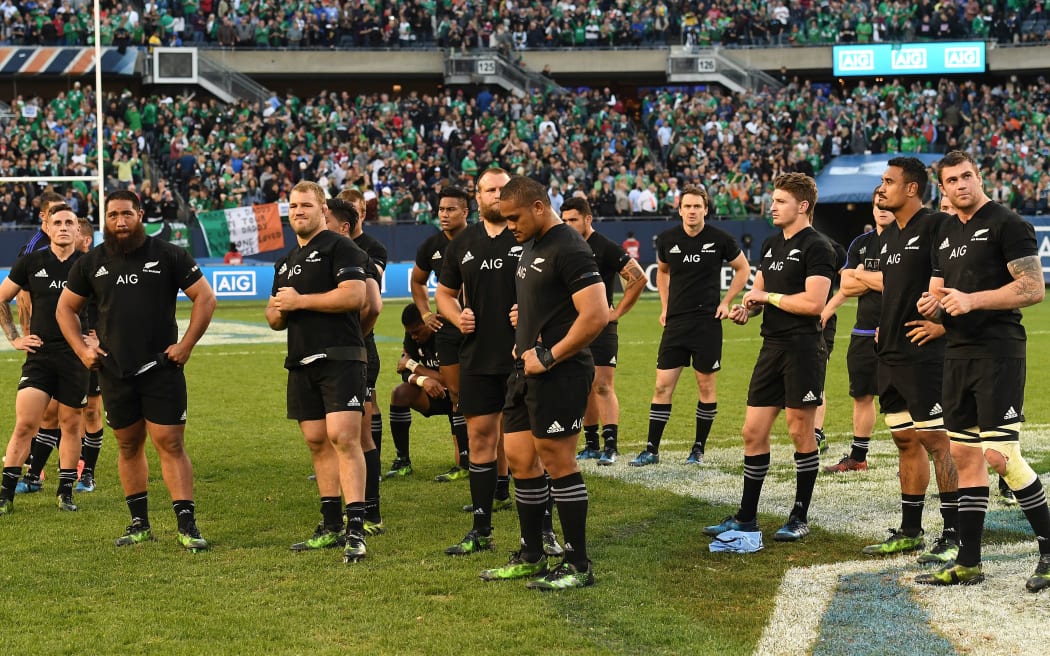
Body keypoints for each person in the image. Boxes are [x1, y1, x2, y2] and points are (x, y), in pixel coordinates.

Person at [915, 151, 1050, 592]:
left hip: (999, 352)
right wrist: (931, 305)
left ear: (979, 177)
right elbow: (939, 292)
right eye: (952, 180)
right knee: (966, 457)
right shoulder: (945, 231)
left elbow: (1033, 288)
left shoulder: (1008, 223)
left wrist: (973, 300)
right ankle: (969, 562)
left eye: (967, 176)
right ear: (942, 188)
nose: (961, 185)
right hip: (957, 354)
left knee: (1000, 456)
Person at [56, 190, 216, 551]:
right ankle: (139, 524)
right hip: (115, 371)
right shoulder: (91, 262)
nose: (120, 221)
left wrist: (186, 345)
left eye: (127, 214)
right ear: (105, 220)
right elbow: (65, 309)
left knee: (170, 443)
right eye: (113, 215)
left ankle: (186, 524)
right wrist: (82, 350)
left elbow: (205, 298)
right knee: (128, 445)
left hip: (162, 367)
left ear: (140, 215)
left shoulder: (169, 254)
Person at [479, 175, 607, 589]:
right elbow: (546, 301)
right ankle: (532, 554)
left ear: (538, 207)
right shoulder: (531, 244)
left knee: (557, 460)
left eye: (514, 217)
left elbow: (596, 314)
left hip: (560, 371)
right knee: (519, 459)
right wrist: (526, 324)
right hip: (524, 370)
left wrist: (550, 355)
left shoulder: (570, 246)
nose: (510, 226)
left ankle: (578, 564)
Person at [705, 172, 834, 543]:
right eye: (773, 200)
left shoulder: (818, 247)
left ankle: (799, 516)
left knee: (799, 431)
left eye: (780, 201)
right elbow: (758, 294)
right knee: (753, 431)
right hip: (771, 347)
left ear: (802, 206)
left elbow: (814, 304)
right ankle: (746, 517)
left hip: (804, 349)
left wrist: (767, 298)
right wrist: (748, 309)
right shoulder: (771, 244)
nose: (772, 206)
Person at [848, 156, 960, 565]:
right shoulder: (888, 235)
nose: (881, 188)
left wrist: (943, 325)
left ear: (911, 188)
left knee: (939, 443)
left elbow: (966, 278)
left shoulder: (937, 225)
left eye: (888, 181)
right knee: (905, 441)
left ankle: (954, 535)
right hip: (889, 354)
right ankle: (911, 531)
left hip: (924, 357)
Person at [437, 167, 554, 556]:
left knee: (534, 446)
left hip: (524, 356)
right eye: (490, 190)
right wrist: (457, 316)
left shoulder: (528, 235)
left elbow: (554, 287)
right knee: (480, 440)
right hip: (477, 357)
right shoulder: (462, 243)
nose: (497, 196)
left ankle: (545, 530)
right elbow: (444, 294)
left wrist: (533, 312)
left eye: (503, 189)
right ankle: (481, 530)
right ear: (477, 196)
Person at [266, 186, 371, 563]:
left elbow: (355, 296)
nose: (298, 211)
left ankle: (355, 528)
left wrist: (301, 301)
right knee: (316, 441)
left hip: (340, 357)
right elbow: (274, 316)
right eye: (293, 206)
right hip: (300, 360)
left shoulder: (341, 247)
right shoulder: (285, 261)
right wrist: (280, 310)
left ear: (323, 209)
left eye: (306, 205)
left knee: (343, 437)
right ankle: (329, 525)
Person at [631, 185, 750, 466]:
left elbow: (743, 269)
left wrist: (727, 301)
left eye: (697, 206)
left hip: (707, 323)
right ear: (680, 209)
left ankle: (698, 448)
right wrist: (664, 306)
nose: (692, 211)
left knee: (705, 386)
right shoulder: (668, 239)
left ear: (706, 209)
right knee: (662, 386)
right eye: (687, 206)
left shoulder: (721, 239)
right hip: (676, 323)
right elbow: (662, 272)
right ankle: (651, 450)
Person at [0, 204, 87, 515]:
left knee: (71, 425)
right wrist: (14, 337)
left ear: (78, 230)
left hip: (75, 358)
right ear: (47, 228)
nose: (63, 227)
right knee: (25, 423)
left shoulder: (89, 265)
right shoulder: (31, 262)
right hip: (40, 357)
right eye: (57, 222)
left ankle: (65, 492)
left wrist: (97, 338)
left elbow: (110, 305)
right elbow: (2, 297)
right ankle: (5, 495)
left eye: (69, 223)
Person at [561, 197, 646, 465]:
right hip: (573, 326)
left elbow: (638, 277)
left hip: (601, 326)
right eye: (564, 220)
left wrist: (616, 312)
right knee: (583, 386)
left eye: (573, 220)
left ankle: (611, 446)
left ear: (588, 219)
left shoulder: (604, 246)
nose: (568, 225)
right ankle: (591, 445)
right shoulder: (563, 246)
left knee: (602, 385)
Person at [823, 189, 893, 473]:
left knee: (907, 401)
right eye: (878, 204)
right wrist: (828, 309)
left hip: (898, 333)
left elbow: (897, 283)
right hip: (863, 332)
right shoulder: (861, 243)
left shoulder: (908, 241)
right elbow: (846, 285)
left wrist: (861, 275)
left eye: (887, 204)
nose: (882, 208)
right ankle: (858, 457)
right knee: (861, 395)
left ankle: (913, 459)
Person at [407, 186, 471, 481]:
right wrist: (425, 313)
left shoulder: (481, 238)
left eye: (451, 209)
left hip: (483, 328)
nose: (444, 215)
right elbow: (418, 281)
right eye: (441, 210)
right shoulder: (430, 246)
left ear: (465, 212)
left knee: (493, 392)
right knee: (456, 394)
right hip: (448, 329)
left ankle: (500, 460)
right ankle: (466, 461)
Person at [336, 188, 386, 535]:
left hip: (359, 350)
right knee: (343, 434)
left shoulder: (369, 251)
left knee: (361, 433)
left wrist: (358, 336)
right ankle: (349, 508)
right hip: (339, 353)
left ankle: (371, 510)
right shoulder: (328, 250)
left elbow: (372, 304)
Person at [12, 190, 67, 493]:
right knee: (45, 410)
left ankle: (71, 468)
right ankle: (38, 467)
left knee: (72, 412)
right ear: (43, 217)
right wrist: (23, 337)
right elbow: (23, 297)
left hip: (73, 342)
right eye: (54, 215)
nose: (61, 221)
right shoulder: (35, 248)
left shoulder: (72, 249)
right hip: (45, 344)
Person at [388, 304, 459, 475]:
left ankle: (465, 460)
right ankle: (403, 461)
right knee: (400, 393)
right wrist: (423, 380)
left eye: (417, 331)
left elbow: (449, 380)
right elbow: (402, 369)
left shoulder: (445, 331)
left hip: (459, 396)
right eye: (410, 333)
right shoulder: (412, 337)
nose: (414, 336)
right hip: (435, 394)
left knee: (463, 462)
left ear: (427, 321)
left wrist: (414, 366)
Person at [75, 216, 104, 493]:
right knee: (58, 412)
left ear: (85, 239)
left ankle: (88, 472)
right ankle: (37, 468)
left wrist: (100, 337)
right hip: (63, 349)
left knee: (92, 411)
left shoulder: (99, 268)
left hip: (92, 349)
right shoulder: (57, 265)